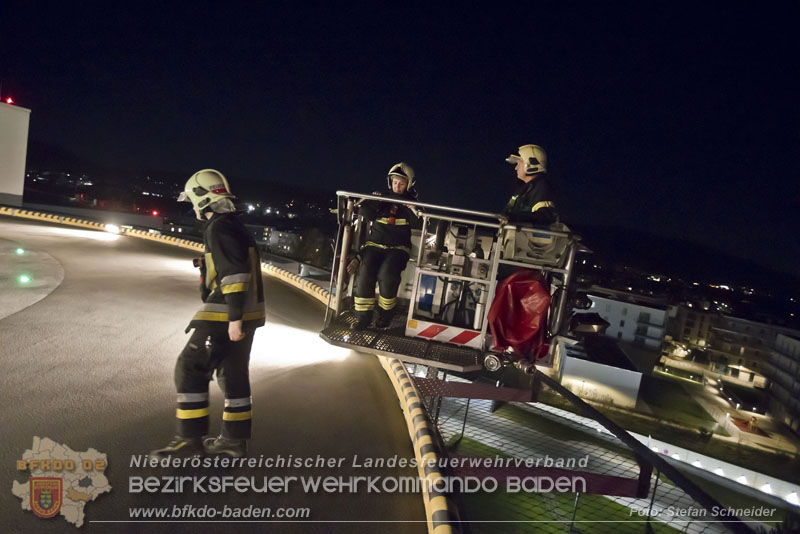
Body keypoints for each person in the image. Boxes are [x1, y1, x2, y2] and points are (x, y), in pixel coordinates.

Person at [152, 169, 265, 459]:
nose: (192, 207)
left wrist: (234, 318)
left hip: (224, 315)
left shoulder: (219, 227)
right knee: (233, 375)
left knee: (189, 366)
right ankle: (233, 442)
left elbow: (235, 274)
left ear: (203, 199)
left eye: (192, 201)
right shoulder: (235, 225)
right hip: (246, 314)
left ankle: (189, 441)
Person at [349, 162, 420, 329]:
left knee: (387, 275)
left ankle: (384, 317)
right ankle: (362, 319)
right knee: (365, 273)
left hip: (398, 249)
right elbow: (365, 213)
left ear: (408, 184)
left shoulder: (412, 203)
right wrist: (372, 200)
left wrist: (413, 209)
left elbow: (418, 223)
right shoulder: (382, 197)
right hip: (374, 245)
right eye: (395, 182)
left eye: (401, 183)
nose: (397, 186)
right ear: (390, 182)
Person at [501, 144, 559, 225]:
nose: (516, 168)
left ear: (529, 165)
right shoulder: (523, 189)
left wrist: (516, 218)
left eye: (518, 164)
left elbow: (545, 217)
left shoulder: (542, 188)